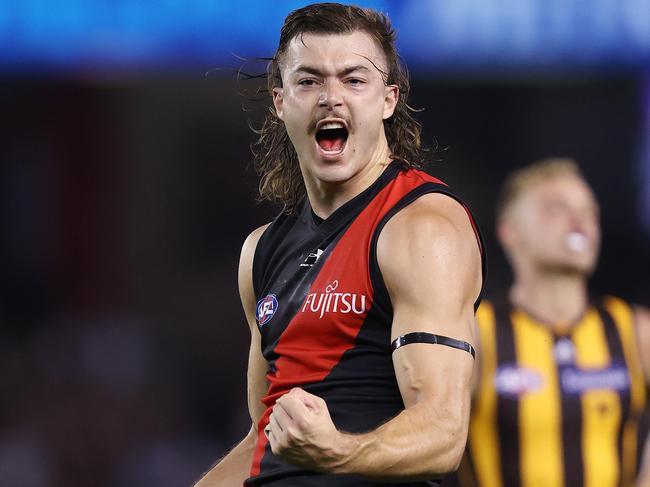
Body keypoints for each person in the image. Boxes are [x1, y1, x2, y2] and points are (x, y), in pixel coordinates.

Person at [193, 3, 485, 487]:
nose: (331, 98)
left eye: (353, 80)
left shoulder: (421, 228)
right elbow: (263, 441)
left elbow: (443, 434)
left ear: (388, 100)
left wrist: (335, 452)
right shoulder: (261, 252)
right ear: (280, 100)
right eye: (309, 81)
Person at [450, 158, 650, 487]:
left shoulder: (634, 330)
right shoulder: (476, 333)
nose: (580, 223)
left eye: (590, 212)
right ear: (510, 231)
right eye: (556, 210)